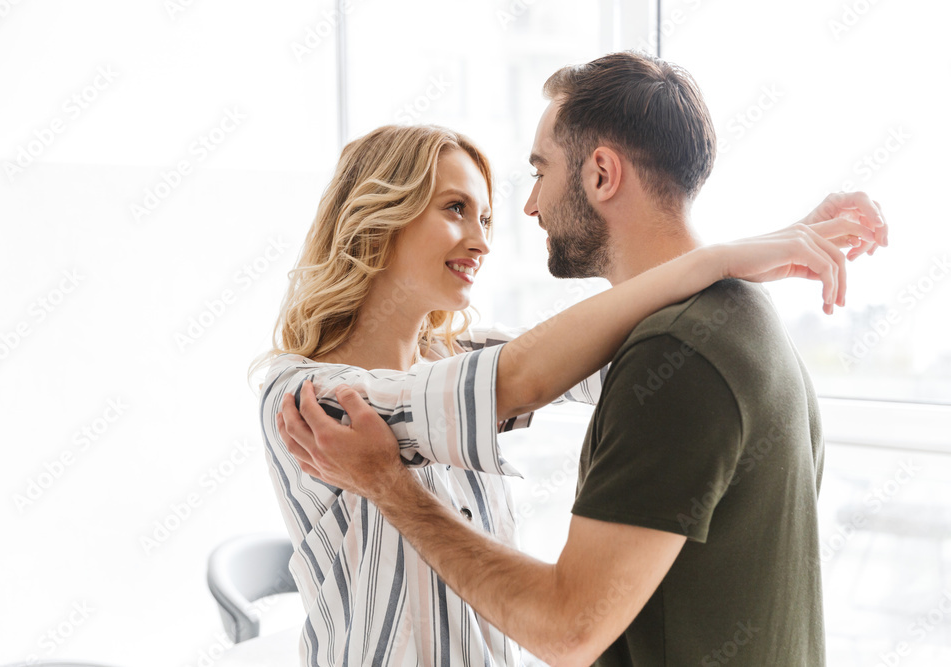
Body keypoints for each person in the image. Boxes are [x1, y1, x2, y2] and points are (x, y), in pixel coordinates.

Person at [273, 51, 888, 666]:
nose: (492, 234)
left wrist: (758, 251)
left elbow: (594, 353)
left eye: (536, 174)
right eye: (457, 209)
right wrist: (726, 259)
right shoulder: (308, 396)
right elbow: (525, 374)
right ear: (378, 217)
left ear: (600, 174)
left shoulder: (676, 351)